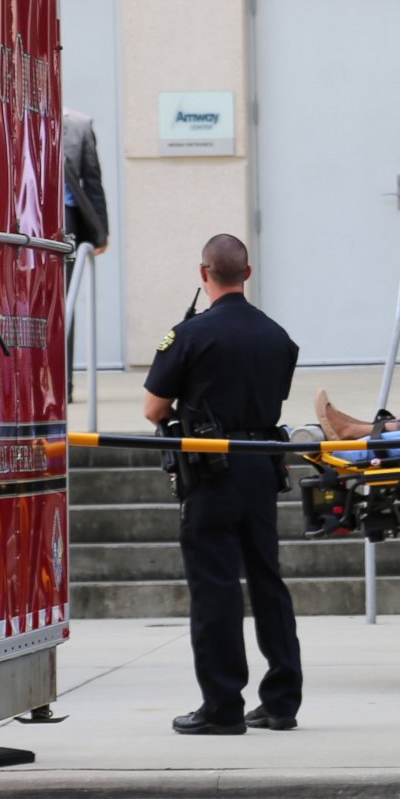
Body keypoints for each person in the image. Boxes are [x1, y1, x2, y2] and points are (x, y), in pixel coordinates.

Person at [142, 234, 302, 735]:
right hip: (262, 464)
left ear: (203, 273)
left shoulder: (188, 335)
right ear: (247, 275)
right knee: (267, 581)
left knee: (215, 585)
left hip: (210, 469)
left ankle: (222, 706)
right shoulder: (278, 336)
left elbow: (153, 409)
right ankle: (281, 702)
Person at [61, 109, 110, 388]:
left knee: (63, 300)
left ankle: (62, 382)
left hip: (67, 219)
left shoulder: (79, 125)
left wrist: (100, 232)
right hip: (23, 218)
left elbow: (92, 182)